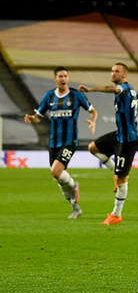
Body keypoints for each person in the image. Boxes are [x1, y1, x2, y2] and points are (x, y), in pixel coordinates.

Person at [24, 66, 97, 219]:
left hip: (70, 140)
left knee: (56, 171)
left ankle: (74, 186)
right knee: (59, 178)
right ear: (55, 78)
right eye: (60, 76)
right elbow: (38, 117)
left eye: (65, 76)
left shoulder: (76, 95)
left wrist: (93, 121)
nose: (63, 79)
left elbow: (92, 110)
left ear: (67, 78)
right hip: (54, 142)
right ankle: (76, 208)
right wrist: (32, 119)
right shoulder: (49, 96)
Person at [79, 63, 138, 226]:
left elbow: (114, 89)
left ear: (124, 75)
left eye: (116, 71)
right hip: (119, 135)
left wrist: (90, 89)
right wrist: (133, 107)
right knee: (93, 148)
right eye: (112, 71)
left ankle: (116, 214)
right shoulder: (133, 92)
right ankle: (116, 172)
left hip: (128, 140)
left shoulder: (123, 88)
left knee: (122, 179)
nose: (113, 73)